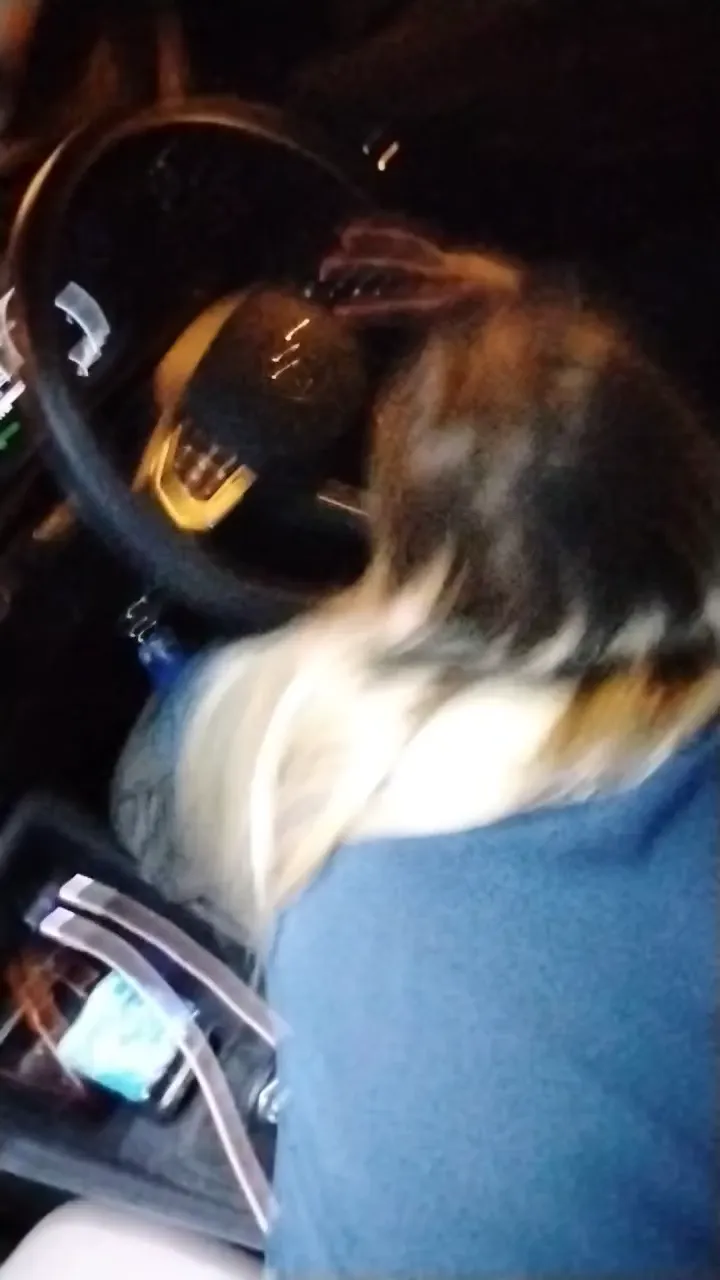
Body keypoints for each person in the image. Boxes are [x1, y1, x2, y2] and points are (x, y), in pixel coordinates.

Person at [114, 227, 720, 1278]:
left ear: (404, 551)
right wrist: (537, 334)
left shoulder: (303, 766)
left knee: (60, 1246)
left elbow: (173, 770)